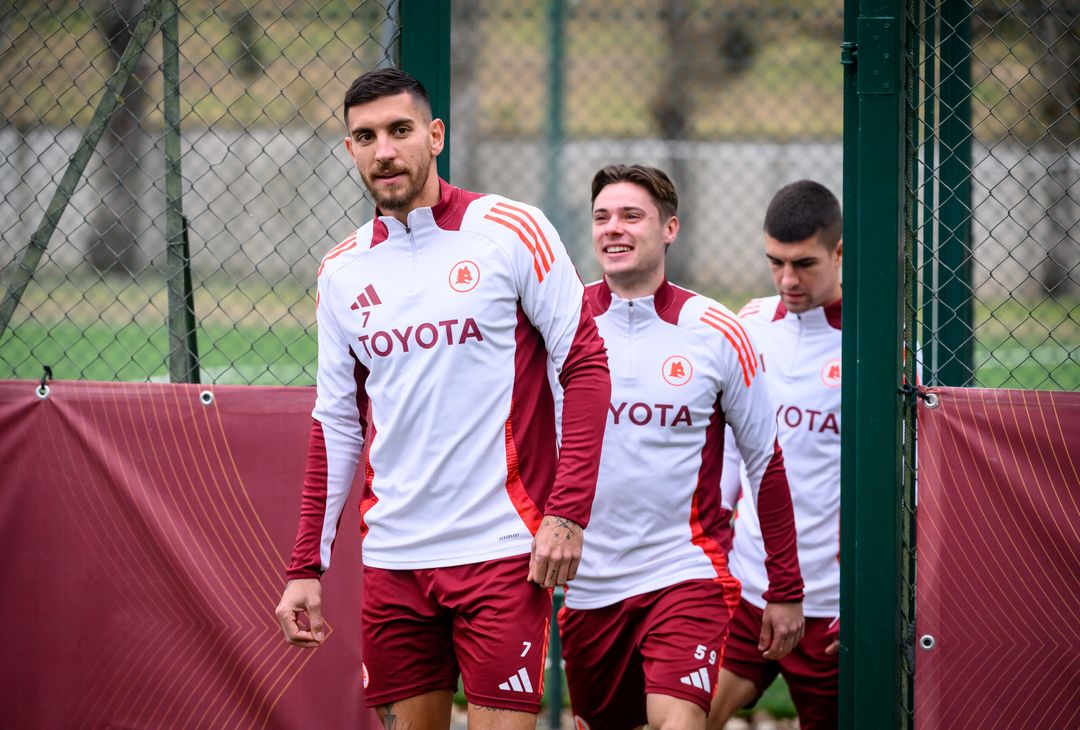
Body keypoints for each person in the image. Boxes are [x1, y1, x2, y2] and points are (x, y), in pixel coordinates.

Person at [273, 68, 611, 730]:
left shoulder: (511, 230)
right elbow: (337, 424)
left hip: (501, 549)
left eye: (400, 131)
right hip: (395, 558)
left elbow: (588, 365)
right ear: (349, 149)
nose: (384, 152)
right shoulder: (342, 272)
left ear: (435, 136)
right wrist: (305, 566)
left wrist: (567, 515)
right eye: (365, 137)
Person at [557, 164, 805, 730]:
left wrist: (785, 587)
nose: (613, 229)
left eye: (631, 216)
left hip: (683, 571)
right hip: (587, 582)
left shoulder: (716, 330)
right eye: (602, 217)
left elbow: (765, 463)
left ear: (670, 229)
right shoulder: (560, 323)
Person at [707, 180, 843, 730]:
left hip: (835, 610)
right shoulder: (750, 326)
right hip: (746, 589)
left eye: (804, 263)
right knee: (683, 717)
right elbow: (727, 460)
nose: (788, 279)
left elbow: (915, 488)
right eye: (775, 262)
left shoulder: (882, 343)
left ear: (840, 252)